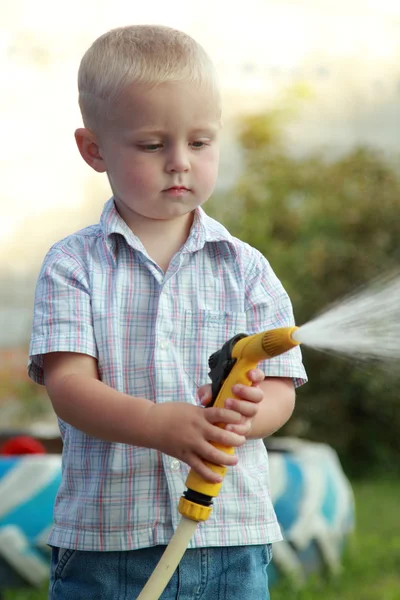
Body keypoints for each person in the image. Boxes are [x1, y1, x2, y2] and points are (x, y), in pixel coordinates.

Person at [28, 25, 307, 600]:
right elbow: (69, 387)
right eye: (153, 145)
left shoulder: (246, 267)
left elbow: (281, 391)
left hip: (230, 538)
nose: (180, 163)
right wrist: (159, 425)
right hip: (110, 547)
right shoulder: (73, 265)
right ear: (94, 149)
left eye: (200, 143)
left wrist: (246, 416)